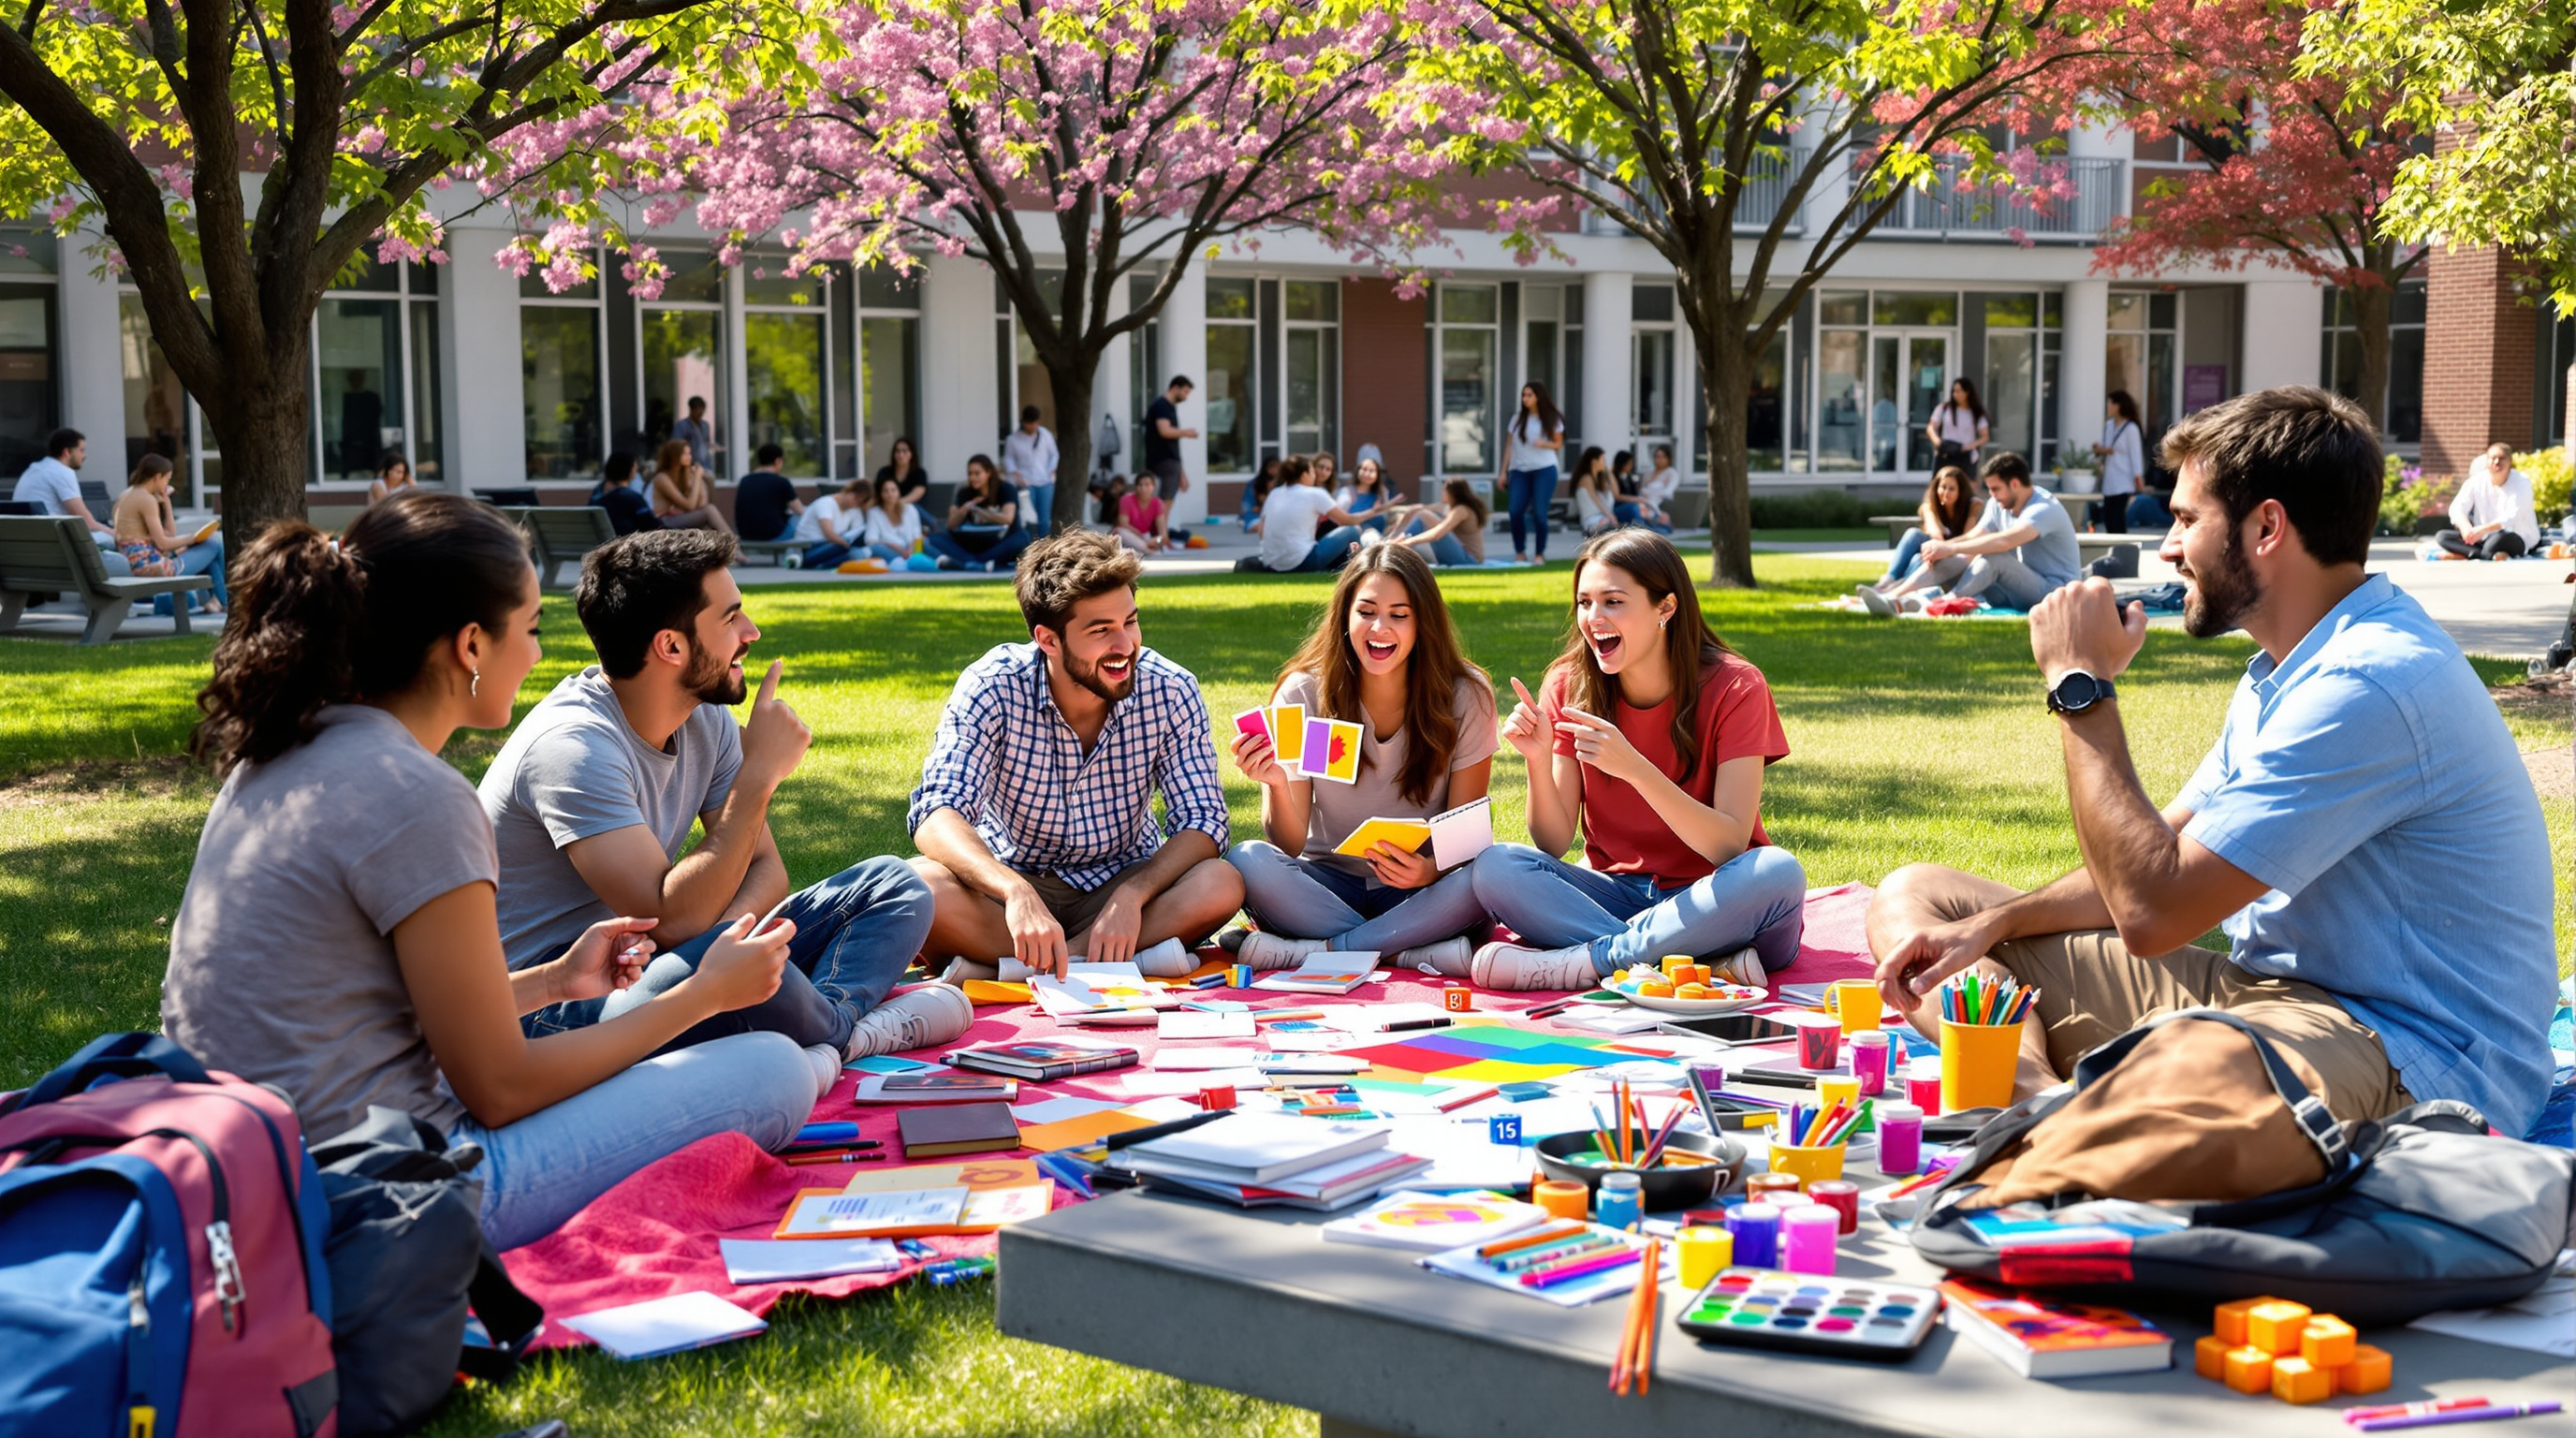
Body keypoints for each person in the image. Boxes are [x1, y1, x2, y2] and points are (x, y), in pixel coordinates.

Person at [1866, 386, 2555, 1149]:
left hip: (2408, 1054)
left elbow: (2152, 912)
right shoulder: (2286, 666)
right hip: (2266, 998)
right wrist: (1998, 923)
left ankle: (2086, 1120)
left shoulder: (2368, 682)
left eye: (2188, 519)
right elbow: (2159, 858)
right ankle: (2032, 1103)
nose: (2167, 546)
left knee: (2202, 1071)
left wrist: (2080, 687)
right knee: (1918, 901)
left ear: (2267, 527)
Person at [163, 492, 819, 1251]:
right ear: (470, 646)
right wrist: (703, 997)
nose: (542, 655)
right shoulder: (420, 797)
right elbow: (500, 1091)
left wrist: (552, 983)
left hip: (250, 1168)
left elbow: (371, 1016)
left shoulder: (276, 756)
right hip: (387, 1192)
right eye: (532, 628)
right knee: (773, 1069)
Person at [480, 527, 968, 1063]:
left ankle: (828, 1025)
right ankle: (842, 1030)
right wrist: (758, 776)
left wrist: (721, 942)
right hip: (558, 1004)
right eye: (731, 617)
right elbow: (670, 917)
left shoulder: (702, 717)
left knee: (895, 885)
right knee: (729, 962)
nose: (751, 631)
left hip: (659, 961)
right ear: (671, 645)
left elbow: (765, 868)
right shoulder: (572, 749)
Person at [1467, 529, 1808, 990]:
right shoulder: (1569, 685)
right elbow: (1552, 842)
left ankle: (1595, 960)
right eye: (1585, 603)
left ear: (1666, 608)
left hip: (1716, 899)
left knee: (1776, 871)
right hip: (1617, 897)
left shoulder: (1736, 687)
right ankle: (1696, 965)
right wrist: (1538, 759)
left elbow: (1729, 846)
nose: (1593, 618)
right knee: (1496, 867)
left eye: (1613, 602)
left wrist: (1635, 770)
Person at [909, 531, 1243, 979]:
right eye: (1101, 630)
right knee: (917, 886)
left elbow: (1203, 821)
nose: (1125, 645)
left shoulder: (1171, 688)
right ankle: (1099, 964)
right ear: (1048, 640)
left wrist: (1134, 894)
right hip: (1010, 891)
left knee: (1220, 883)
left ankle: (1038, 967)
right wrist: (1013, 891)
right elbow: (937, 811)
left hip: (1123, 887)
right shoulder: (991, 685)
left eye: (1130, 621)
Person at [1222, 544, 1498, 976]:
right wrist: (1276, 783)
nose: (1379, 628)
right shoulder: (1303, 693)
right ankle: (1404, 950)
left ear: (1423, 623)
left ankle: (1328, 949)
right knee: (1247, 859)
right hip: (1327, 885)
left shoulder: (1466, 695)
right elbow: (1288, 845)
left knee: (1485, 878)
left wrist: (1427, 871)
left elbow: (1464, 838)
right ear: (1345, 617)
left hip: (1418, 888)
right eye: (1366, 611)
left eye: (1399, 615)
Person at [1865, 451, 2081, 613]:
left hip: (2054, 593)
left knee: (1994, 557)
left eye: (1995, 489)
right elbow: (1975, 535)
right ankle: (1893, 597)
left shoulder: (2043, 509)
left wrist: (1950, 546)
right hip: (2018, 590)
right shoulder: (2000, 504)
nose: (1992, 496)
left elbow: (2004, 542)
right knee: (1960, 556)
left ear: (2014, 484)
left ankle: (1940, 604)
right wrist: (1944, 550)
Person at [111, 454, 227, 613]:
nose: (167, 484)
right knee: (214, 544)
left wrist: (166, 500)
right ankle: (224, 602)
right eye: (167, 479)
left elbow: (169, 534)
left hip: (137, 565)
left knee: (211, 556)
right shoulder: (146, 499)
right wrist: (192, 538)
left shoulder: (126, 495)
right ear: (158, 477)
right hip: (152, 569)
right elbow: (163, 543)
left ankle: (217, 602)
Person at [1866, 465, 1978, 596]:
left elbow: (1969, 538)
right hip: (1933, 554)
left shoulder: (1972, 506)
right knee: (1914, 539)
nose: (1945, 492)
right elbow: (1936, 537)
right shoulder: (1930, 506)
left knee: (1921, 557)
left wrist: (1941, 551)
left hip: (1956, 559)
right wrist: (1929, 512)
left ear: (1961, 491)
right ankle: (1888, 582)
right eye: (1942, 487)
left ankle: (1895, 588)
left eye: (1952, 488)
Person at [1249, 456, 1368, 573]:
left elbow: (1261, 528)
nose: (1315, 475)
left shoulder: (1275, 493)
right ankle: (1358, 570)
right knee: (1352, 530)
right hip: (1304, 561)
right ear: (1304, 475)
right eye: (1312, 471)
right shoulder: (1314, 493)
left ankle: (1341, 567)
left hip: (1272, 564)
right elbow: (1347, 520)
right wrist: (1374, 512)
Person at [12, 427, 119, 557]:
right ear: (67, 452)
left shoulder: (34, 469)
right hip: (54, 545)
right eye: (81, 450)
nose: (84, 456)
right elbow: (87, 522)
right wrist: (118, 533)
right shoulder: (62, 472)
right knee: (114, 541)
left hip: (28, 542)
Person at [1497, 382, 1566, 564]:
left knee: (1539, 513)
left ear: (1538, 397)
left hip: (1544, 469)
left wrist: (1544, 444)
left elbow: (1558, 444)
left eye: (1529, 395)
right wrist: (1503, 472)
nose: (1525, 399)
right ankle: (1520, 551)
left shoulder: (1551, 418)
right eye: (1524, 395)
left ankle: (1539, 553)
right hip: (1519, 470)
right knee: (1515, 511)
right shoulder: (1517, 419)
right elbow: (1509, 445)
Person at [925, 456, 1031, 572]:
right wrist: (964, 509)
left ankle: (970, 563)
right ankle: (979, 563)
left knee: (1022, 537)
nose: (973, 478)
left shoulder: (1006, 489)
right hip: (971, 544)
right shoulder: (963, 492)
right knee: (934, 539)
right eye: (970, 474)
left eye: (977, 474)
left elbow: (1008, 518)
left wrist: (983, 513)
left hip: (998, 543)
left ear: (988, 473)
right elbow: (950, 525)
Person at [2437, 443, 2539, 561]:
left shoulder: (2522, 483)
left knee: (2496, 541)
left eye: (2501, 458)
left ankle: (2468, 554)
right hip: (2482, 538)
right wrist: (2466, 528)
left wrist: (2484, 529)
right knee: (2443, 537)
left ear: (2510, 461)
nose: (2496, 462)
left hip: (2515, 536)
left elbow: (2512, 516)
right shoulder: (2476, 481)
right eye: (2493, 458)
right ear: (2487, 461)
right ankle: (2486, 554)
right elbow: (2457, 508)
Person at [1394, 479, 1490, 567]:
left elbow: (1439, 533)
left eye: (1444, 491)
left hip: (1469, 560)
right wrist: (1402, 512)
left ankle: (1395, 549)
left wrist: (1409, 541)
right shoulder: (1450, 508)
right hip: (1465, 557)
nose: (1442, 493)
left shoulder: (1461, 510)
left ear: (1453, 493)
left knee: (1424, 515)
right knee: (1422, 514)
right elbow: (1423, 507)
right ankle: (1395, 544)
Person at [2092, 389, 2146, 536]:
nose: (2108, 407)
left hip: (2124, 479)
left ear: (2118, 406)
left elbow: (2135, 454)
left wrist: (2138, 476)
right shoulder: (2109, 425)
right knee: (2108, 517)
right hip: (2110, 478)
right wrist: (2100, 449)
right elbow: (2107, 446)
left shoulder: (2131, 428)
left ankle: (2121, 549)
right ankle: (2112, 548)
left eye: (2110, 404)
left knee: (2118, 517)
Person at [651, 440, 731, 534]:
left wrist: (698, 478)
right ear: (674, 456)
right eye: (685, 454)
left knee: (708, 523)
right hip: (664, 521)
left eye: (690, 453)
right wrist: (697, 477)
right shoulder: (662, 478)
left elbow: (702, 504)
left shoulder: (683, 474)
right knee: (709, 511)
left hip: (680, 517)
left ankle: (731, 545)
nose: (689, 457)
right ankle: (734, 544)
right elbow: (690, 506)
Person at [1003, 405, 1061, 535]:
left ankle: (1044, 548)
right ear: (1024, 422)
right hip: (1025, 482)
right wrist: (1015, 472)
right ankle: (1029, 545)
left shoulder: (1045, 435)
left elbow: (1054, 454)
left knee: (1044, 519)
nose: (1033, 426)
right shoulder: (1013, 440)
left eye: (1036, 423)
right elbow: (1009, 459)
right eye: (1030, 423)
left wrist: (1052, 469)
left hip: (1045, 481)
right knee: (1028, 517)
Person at [733, 443, 802, 543]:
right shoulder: (781, 482)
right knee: (799, 518)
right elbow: (800, 511)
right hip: (774, 536)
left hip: (746, 535)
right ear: (778, 461)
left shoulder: (745, 481)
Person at [1143, 376, 1198, 502]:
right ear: (1175, 388)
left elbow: (1174, 445)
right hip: (1163, 461)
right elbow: (1165, 431)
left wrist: (1181, 473)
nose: (1186, 397)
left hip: (1169, 461)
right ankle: (1161, 522)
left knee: (1165, 501)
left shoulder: (1169, 407)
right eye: (1184, 392)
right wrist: (1187, 432)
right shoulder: (1162, 406)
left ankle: (1161, 521)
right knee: (1165, 502)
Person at [792, 480, 866, 568]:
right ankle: (823, 565)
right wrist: (847, 544)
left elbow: (857, 530)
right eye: (855, 498)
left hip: (830, 547)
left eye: (859, 502)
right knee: (848, 550)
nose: (855, 503)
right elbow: (829, 534)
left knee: (861, 552)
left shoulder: (853, 510)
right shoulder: (825, 503)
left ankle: (823, 565)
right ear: (848, 491)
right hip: (810, 548)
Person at [589, 451, 660, 536]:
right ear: (631, 470)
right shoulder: (631, 498)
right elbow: (653, 526)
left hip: (600, 544)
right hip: (624, 544)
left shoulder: (596, 496)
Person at [859, 475, 926, 561]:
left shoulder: (910, 509)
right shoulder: (874, 513)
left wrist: (910, 548)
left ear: (898, 492)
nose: (890, 494)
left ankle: (939, 560)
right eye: (885, 491)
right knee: (874, 549)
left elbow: (917, 534)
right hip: (891, 550)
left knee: (925, 542)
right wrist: (893, 546)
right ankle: (905, 561)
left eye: (893, 490)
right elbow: (870, 540)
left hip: (911, 548)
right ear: (880, 494)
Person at [1928, 378, 1990, 469]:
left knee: (1964, 482)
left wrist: (1969, 446)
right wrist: (1938, 442)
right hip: (1945, 452)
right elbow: (1931, 427)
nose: (1955, 394)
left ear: (1967, 392)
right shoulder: (1944, 408)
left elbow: (1985, 436)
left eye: (1958, 391)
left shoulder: (1976, 412)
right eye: (1954, 391)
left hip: (1965, 454)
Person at [1116, 471, 1175, 554]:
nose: (1143, 488)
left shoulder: (1157, 503)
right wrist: (1143, 538)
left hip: (1145, 538)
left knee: (1157, 542)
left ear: (1153, 487)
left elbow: (1163, 534)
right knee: (1121, 532)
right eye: (1140, 485)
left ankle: (1140, 551)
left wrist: (1157, 540)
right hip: (1129, 536)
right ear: (1136, 487)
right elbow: (1124, 525)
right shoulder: (1126, 500)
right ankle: (1148, 551)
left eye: (1147, 485)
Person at [1335, 454, 1393, 533]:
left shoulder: (1382, 493)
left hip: (1377, 533)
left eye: (1371, 471)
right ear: (1358, 471)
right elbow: (1339, 517)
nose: (1367, 474)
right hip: (1353, 535)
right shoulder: (1347, 492)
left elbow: (1386, 516)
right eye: (1364, 469)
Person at [1571, 447, 1619, 537]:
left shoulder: (1600, 479)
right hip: (1591, 519)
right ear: (1594, 462)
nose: (1605, 463)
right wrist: (1610, 516)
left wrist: (1609, 473)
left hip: (1601, 516)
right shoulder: (1586, 479)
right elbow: (1596, 501)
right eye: (1603, 460)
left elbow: (1616, 493)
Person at [875, 436, 929, 507]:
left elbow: (917, 493)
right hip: (887, 509)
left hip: (912, 509)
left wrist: (898, 503)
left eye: (904, 451)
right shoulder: (884, 472)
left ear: (911, 454)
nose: (901, 455)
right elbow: (877, 493)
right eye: (897, 451)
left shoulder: (919, 473)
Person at [1637, 445, 1681, 529]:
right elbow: (1642, 489)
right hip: (1645, 500)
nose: (1660, 460)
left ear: (1668, 459)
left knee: (1657, 488)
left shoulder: (1671, 472)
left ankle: (1652, 516)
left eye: (1663, 457)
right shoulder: (1649, 473)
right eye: (1657, 457)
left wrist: (1655, 489)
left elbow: (1669, 490)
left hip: (1661, 500)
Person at [670, 396, 716, 475]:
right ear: (692, 410)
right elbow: (675, 446)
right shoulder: (682, 426)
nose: (700, 415)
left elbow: (706, 442)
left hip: (706, 464)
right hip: (690, 466)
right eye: (698, 412)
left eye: (702, 413)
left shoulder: (705, 425)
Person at [1240, 458, 1281, 533]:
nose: (1274, 470)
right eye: (1271, 467)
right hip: (1256, 516)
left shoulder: (1283, 485)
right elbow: (1248, 506)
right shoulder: (1254, 484)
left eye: (1277, 467)